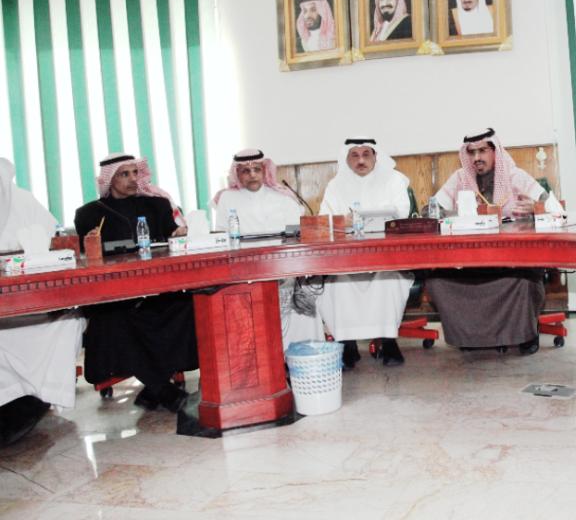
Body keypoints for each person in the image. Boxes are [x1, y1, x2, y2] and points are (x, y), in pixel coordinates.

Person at [74, 153, 198, 413]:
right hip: (114, 294)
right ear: (109, 179)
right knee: (112, 318)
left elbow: (172, 239)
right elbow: (86, 257)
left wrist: (180, 234)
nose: (132, 179)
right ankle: (163, 390)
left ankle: (154, 388)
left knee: (188, 305)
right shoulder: (90, 214)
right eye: (124, 174)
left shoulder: (157, 205)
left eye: (135, 173)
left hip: (157, 290)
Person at [428, 128, 562, 354]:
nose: (476, 158)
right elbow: (431, 209)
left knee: (523, 279)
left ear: (495, 151)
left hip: (513, 258)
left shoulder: (515, 176)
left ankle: (526, 332)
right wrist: (454, 213)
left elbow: (555, 207)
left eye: (482, 151)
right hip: (471, 259)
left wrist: (536, 208)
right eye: (471, 152)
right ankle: (471, 337)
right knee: (437, 282)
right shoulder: (460, 178)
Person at [0, 158, 86, 446]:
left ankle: (37, 398)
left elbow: (56, 243)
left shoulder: (23, 201)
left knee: (69, 321)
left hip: (34, 302)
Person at [314, 138, 413, 368]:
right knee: (337, 283)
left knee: (388, 280)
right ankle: (346, 343)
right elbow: (323, 220)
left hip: (386, 255)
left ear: (375, 156)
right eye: (354, 155)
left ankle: (389, 341)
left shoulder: (394, 180)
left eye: (366, 154)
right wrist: (342, 220)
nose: (361, 160)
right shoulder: (335, 186)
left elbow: (402, 213)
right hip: (346, 258)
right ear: (346, 159)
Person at [213, 149, 322, 350]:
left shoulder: (282, 196)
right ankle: (264, 356)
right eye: (246, 171)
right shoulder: (227, 198)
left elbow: (296, 234)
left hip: (282, 266)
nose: (252, 174)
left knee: (301, 299)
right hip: (244, 269)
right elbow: (221, 234)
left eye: (257, 169)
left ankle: (298, 354)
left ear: (265, 171)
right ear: (237, 174)